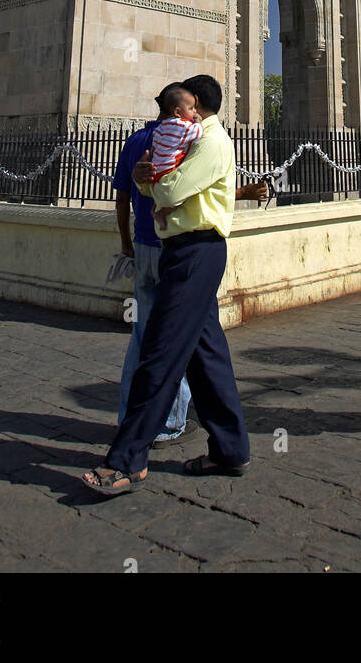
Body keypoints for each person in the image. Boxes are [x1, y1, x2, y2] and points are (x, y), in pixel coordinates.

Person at [83, 74, 251, 494]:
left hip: (196, 253)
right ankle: (230, 449)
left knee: (159, 352)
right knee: (206, 356)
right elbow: (157, 186)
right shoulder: (193, 139)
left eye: (187, 103)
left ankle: (126, 459)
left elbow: (171, 190)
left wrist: (149, 181)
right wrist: (145, 178)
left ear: (197, 102)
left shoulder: (211, 142)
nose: (181, 112)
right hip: (183, 251)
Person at [112, 86, 266, 440]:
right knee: (171, 343)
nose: (193, 113)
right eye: (189, 107)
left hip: (146, 243)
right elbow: (184, 189)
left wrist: (126, 245)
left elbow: (124, 198)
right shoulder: (195, 138)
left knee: (154, 339)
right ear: (184, 108)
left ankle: (225, 443)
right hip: (179, 250)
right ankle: (162, 427)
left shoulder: (138, 139)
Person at [148, 84, 203, 230]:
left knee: (158, 191)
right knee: (182, 195)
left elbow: (155, 142)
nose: (195, 111)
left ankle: (154, 209)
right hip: (169, 168)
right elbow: (197, 135)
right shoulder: (184, 126)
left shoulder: (163, 125)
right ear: (178, 112)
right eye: (191, 108)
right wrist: (198, 122)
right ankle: (161, 213)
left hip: (156, 168)